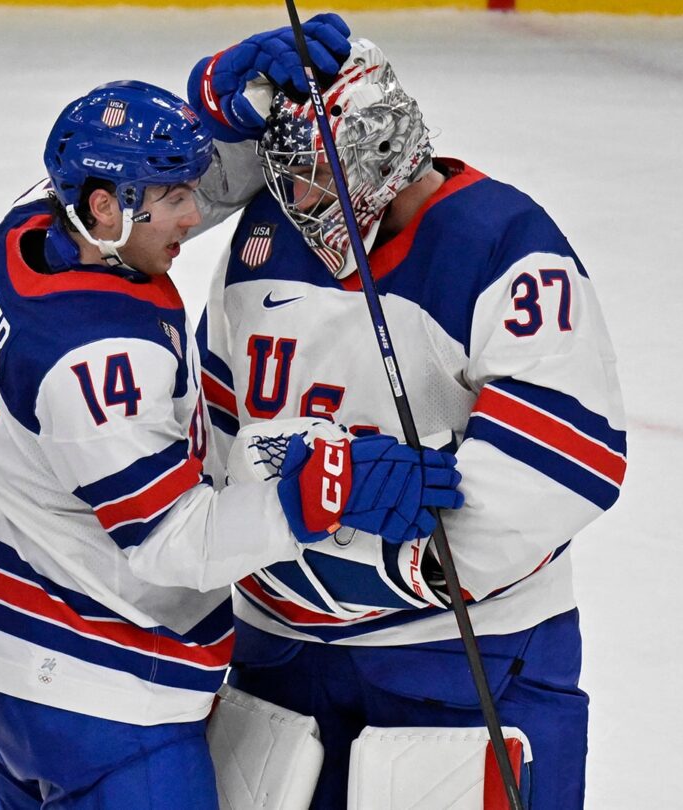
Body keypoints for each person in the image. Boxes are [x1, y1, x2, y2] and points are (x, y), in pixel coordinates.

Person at [0, 64, 463, 808]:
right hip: (98, 693)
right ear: (106, 209)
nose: (194, 213)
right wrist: (319, 494)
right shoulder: (101, 364)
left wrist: (230, 104)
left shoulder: (32, 228)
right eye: (173, 199)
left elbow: (157, 184)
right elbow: (171, 540)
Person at [189, 32, 628, 810]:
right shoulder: (261, 244)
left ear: (379, 147)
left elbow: (564, 461)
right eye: (287, 179)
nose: (298, 201)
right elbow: (215, 434)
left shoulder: (502, 245)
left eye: (316, 177)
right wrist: (262, 539)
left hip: (459, 662)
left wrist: (406, 563)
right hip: (279, 655)